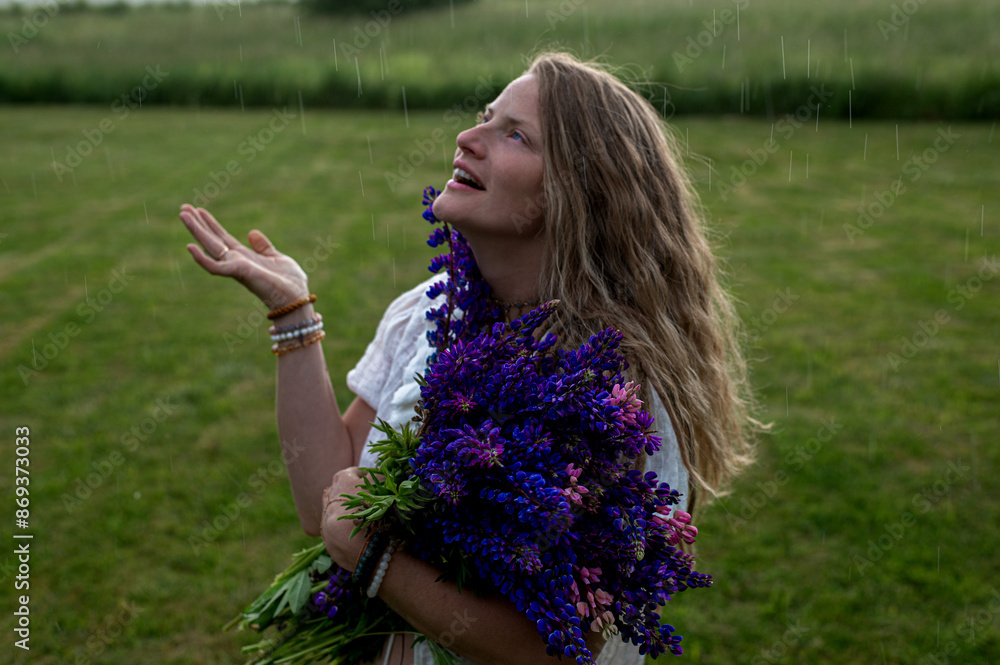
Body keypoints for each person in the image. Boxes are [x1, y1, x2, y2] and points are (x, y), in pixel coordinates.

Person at [180, 51, 757, 665]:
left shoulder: (612, 393)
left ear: (577, 194)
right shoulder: (428, 313)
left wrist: (379, 564)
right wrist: (293, 312)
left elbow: (566, 650)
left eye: (514, 135)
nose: (467, 137)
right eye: (486, 116)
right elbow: (323, 500)